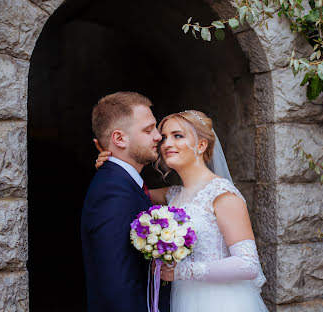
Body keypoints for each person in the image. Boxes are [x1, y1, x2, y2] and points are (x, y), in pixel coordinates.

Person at [95, 109, 268, 312]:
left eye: (178, 136)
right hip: (183, 300)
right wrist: (113, 166)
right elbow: (129, 191)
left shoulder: (222, 194)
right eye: (165, 137)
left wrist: (182, 271)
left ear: (202, 145)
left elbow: (248, 264)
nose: (167, 143)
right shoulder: (173, 195)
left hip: (220, 301)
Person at [81, 92, 170, 312]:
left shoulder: (123, 183)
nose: (159, 136)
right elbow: (117, 283)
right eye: (148, 130)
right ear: (119, 139)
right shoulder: (112, 192)